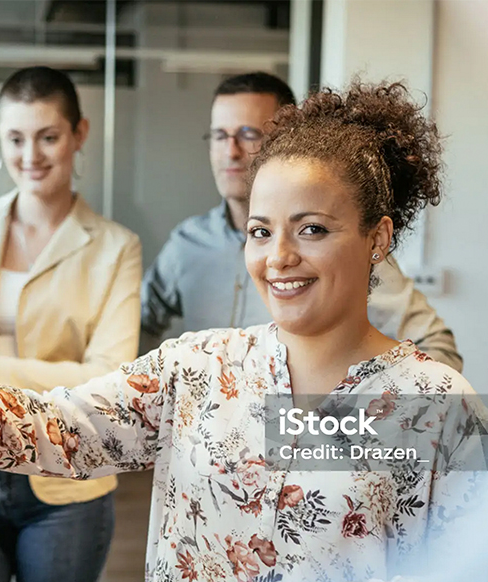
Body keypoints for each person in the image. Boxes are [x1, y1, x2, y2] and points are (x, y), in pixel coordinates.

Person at [0, 81, 488, 582]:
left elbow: (472, 579)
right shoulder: (200, 369)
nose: (278, 256)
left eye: (312, 228)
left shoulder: (433, 404)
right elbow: (47, 429)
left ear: (377, 237)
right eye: (261, 231)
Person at [0, 66, 142, 582]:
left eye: (48, 137)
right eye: (16, 138)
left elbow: (110, 376)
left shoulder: (117, 247)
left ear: (79, 134)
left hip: (67, 474)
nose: (32, 155)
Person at [141, 72, 462, 370]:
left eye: (247, 134)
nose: (231, 152)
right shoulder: (187, 243)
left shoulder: (347, 252)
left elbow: (436, 347)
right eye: (220, 136)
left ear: (284, 139)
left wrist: (358, 417)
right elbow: (137, 327)